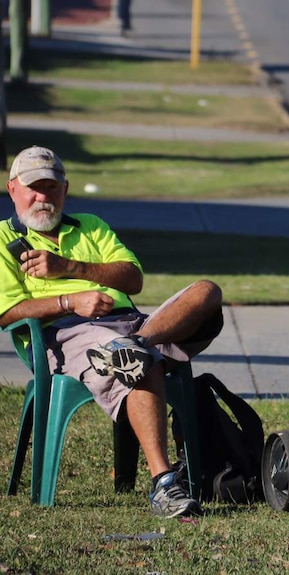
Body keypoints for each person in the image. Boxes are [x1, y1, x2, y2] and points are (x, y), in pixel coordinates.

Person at [1, 146, 224, 518]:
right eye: (33, 188)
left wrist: (68, 266)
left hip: (134, 326)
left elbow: (133, 278)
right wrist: (69, 302)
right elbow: (7, 313)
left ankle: (136, 345)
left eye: (51, 188)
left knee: (207, 291)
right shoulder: (4, 241)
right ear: (12, 190)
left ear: (65, 190)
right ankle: (164, 483)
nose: (43, 197)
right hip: (67, 334)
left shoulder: (91, 226)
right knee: (137, 363)